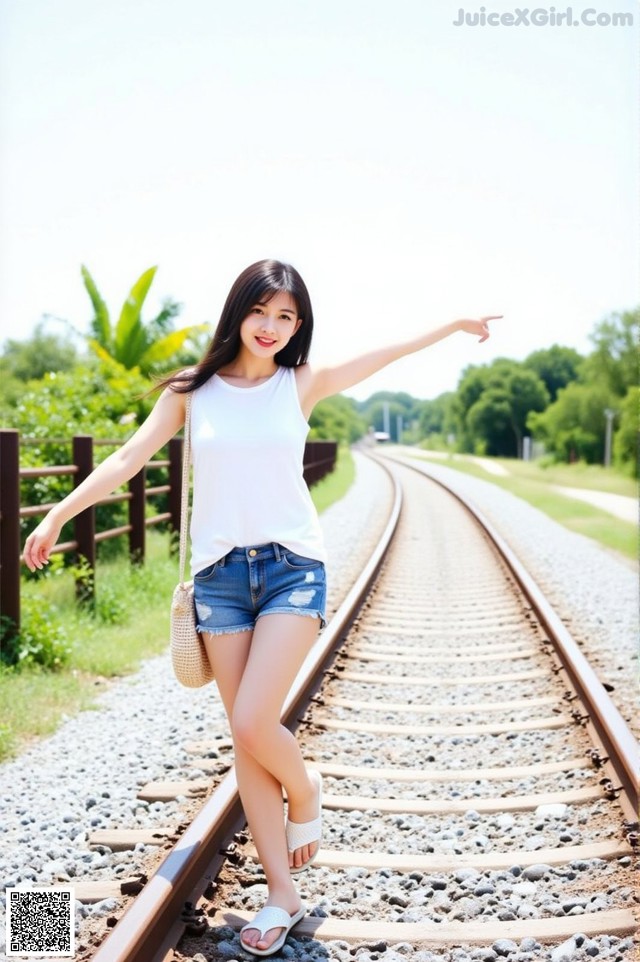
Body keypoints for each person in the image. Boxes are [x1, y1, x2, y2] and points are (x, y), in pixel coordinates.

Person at [23, 258, 499, 956]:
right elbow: (127, 459)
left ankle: (305, 789)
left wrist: (454, 325)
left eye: (287, 317)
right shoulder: (193, 392)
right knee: (247, 740)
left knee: (253, 719)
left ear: (298, 325)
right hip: (218, 579)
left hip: (291, 571)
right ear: (237, 313)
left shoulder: (300, 383)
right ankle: (283, 894)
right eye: (261, 312)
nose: (272, 327)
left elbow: (386, 352)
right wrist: (60, 514)